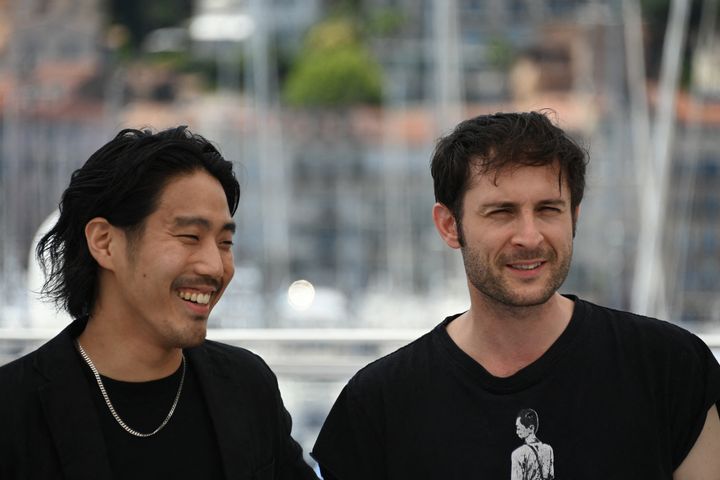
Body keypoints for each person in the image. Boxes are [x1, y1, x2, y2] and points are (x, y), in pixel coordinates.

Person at [312, 111, 720, 479]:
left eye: (548, 209)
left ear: (574, 217)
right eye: (502, 212)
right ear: (450, 225)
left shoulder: (670, 368)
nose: (529, 236)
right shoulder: (379, 405)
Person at [0, 127, 318, 479]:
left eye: (225, 243)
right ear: (105, 243)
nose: (215, 266)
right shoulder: (14, 409)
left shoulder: (246, 386)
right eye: (189, 237)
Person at [511, 409, 554, 480]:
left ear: (531, 428)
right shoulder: (548, 449)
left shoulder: (517, 454)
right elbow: (551, 477)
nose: (516, 432)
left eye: (518, 428)